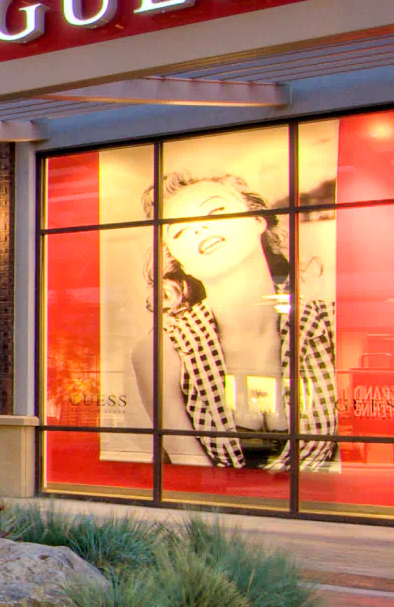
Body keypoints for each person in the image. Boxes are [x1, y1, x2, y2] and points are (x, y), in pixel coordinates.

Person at [130, 170, 335, 470]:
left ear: (257, 221)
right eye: (180, 231)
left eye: (215, 211)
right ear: (177, 258)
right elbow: (190, 469)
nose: (200, 229)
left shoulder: (327, 325)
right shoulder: (161, 352)